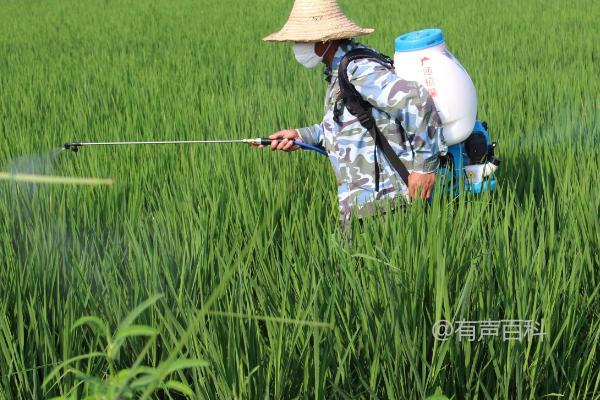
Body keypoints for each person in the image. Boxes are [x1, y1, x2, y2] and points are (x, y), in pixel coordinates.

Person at [262, 0, 447, 228]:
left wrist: (424, 168)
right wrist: (301, 136)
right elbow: (347, 126)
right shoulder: (339, 69)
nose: (296, 46)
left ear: (323, 40)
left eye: (300, 39)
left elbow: (417, 100)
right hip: (364, 204)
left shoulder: (358, 69)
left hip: (385, 205)